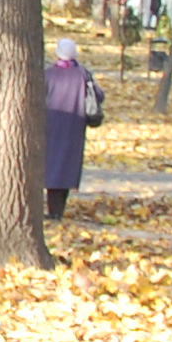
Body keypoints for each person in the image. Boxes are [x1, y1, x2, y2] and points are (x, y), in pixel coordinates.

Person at [43, 37, 104, 220]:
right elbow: (99, 96)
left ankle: (52, 210)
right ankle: (58, 210)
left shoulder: (48, 74)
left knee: (51, 165)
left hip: (51, 125)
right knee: (66, 167)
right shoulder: (83, 74)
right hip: (74, 127)